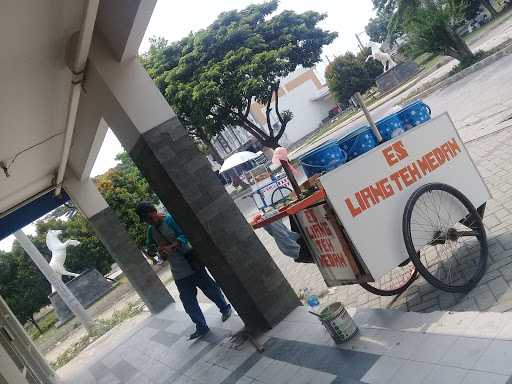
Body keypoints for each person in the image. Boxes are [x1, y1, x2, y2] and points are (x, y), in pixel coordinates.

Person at [136, 202, 232, 339]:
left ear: (154, 211)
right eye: (144, 219)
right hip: (178, 270)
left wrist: (173, 245)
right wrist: (156, 250)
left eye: (148, 216)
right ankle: (201, 327)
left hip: (191, 262)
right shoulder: (151, 230)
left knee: (210, 289)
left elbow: (185, 235)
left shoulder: (169, 220)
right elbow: (150, 246)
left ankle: (225, 308)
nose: (147, 220)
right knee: (187, 301)